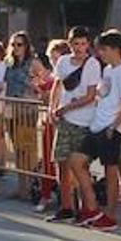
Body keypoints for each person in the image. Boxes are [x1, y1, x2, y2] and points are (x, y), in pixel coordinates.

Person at [69, 30, 121, 230]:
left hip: (111, 128)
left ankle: (111, 216)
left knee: (111, 171)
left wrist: (114, 126)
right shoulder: (108, 71)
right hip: (97, 124)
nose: (100, 53)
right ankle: (92, 208)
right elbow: (102, 94)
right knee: (76, 161)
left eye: (103, 49)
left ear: (114, 49)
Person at [47, 27, 102, 222]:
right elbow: (58, 84)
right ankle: (66, 205)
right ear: (70, 44)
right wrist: (52, 108)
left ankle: (85, 206)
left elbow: (89, 95)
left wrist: (67, 108)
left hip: (82, 120)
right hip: (65, 119)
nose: (79, 48)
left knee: (78, 165)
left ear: (88, 45)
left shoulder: (92, 64)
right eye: (76, 44)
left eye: (83, 44)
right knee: (61, 162)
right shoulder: (63, 62)